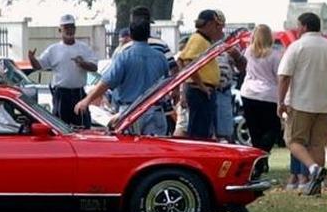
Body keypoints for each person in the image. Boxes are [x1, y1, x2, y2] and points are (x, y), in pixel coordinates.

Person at [277, 12, 327, 196]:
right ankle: (315, 186)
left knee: (293, 140)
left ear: (304, 26)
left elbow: (284, 76)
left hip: (301, 102)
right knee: (317, 145)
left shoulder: (297, 46)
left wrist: (280, 101)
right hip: (325, 104)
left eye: (299, 25)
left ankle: (313, 168)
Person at [75, 19, 169, 135]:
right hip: (154, 112)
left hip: (130, 114)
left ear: (131, 35)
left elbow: (106, 82)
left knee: (129, 147)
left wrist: (87, 100)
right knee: (155, 147)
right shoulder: (161, 58)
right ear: (148, 34)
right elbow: (167, 83)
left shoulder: (124, 57)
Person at [30, 13, 97, 127]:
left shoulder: (83, 48)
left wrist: (83, 64)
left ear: (75, 29)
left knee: (82, 127)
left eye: (71, 27)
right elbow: (38, 66)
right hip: (61, 95)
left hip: (78, 94)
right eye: (66, 28)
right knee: (60, 127)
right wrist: (32, 59)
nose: (69, 30)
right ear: (60, 30)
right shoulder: (53, 50)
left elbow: (94, 67)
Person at [177, 9, 225, 139]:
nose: (218, 29)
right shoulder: (199, 40)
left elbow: (180, 60)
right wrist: (201, 86)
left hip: (200, 90)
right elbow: (188, 62)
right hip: (200, 92)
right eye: (216, 25)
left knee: (202, 130)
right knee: (199, 133)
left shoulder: (201, 39)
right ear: (209, 24)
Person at [240, 24, 282, 165]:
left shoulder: (248, 52)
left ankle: (258, 160)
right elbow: (279, 76)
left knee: (255, 130)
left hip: (249, 93)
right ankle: (262, 155)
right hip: (268, 94)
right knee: (273, 128)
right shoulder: (275, 55)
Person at [212, 10, 246, 143]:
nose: (218, 28)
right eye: (215, 25)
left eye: (220, 25)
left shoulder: (229, 44)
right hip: (205, 92)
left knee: (225, 132)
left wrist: (237, 56)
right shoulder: (202, 43)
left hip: (223, 91)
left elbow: (243, 67)